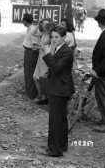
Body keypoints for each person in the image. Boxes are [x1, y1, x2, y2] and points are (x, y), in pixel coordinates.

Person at [42, 26, 75, 157]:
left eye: (57, 37)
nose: (54, 39)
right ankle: (61, 145)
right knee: (60, 119)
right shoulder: (59, 48)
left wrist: (47, 54)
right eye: (52, 37)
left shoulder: (66, 51)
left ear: (63, 38)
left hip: (60, 89)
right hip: (59, 87)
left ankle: (55, 150)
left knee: (56, 120)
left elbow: (56, 67)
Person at [31, 18, 56, 104]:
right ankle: (40, 95)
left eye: (46, 24)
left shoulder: (52, 36)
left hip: (46, 58)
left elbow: (50, 49)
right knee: (35, 77)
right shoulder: (43, 33)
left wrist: (38, 47)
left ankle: (44, 97)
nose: (44, 25)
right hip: (40, 57)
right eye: (43, 24)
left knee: (43, 78)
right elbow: (32, 33)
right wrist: (38, 24)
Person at [22, 13, 40, 100]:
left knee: (30, 73)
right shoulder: (30, 29)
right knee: (27, 72)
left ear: (25, 21)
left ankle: (32, 94)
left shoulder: (33, 30)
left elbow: (35, 45)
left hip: (31, 52)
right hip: (28, 51)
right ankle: (29, 92)